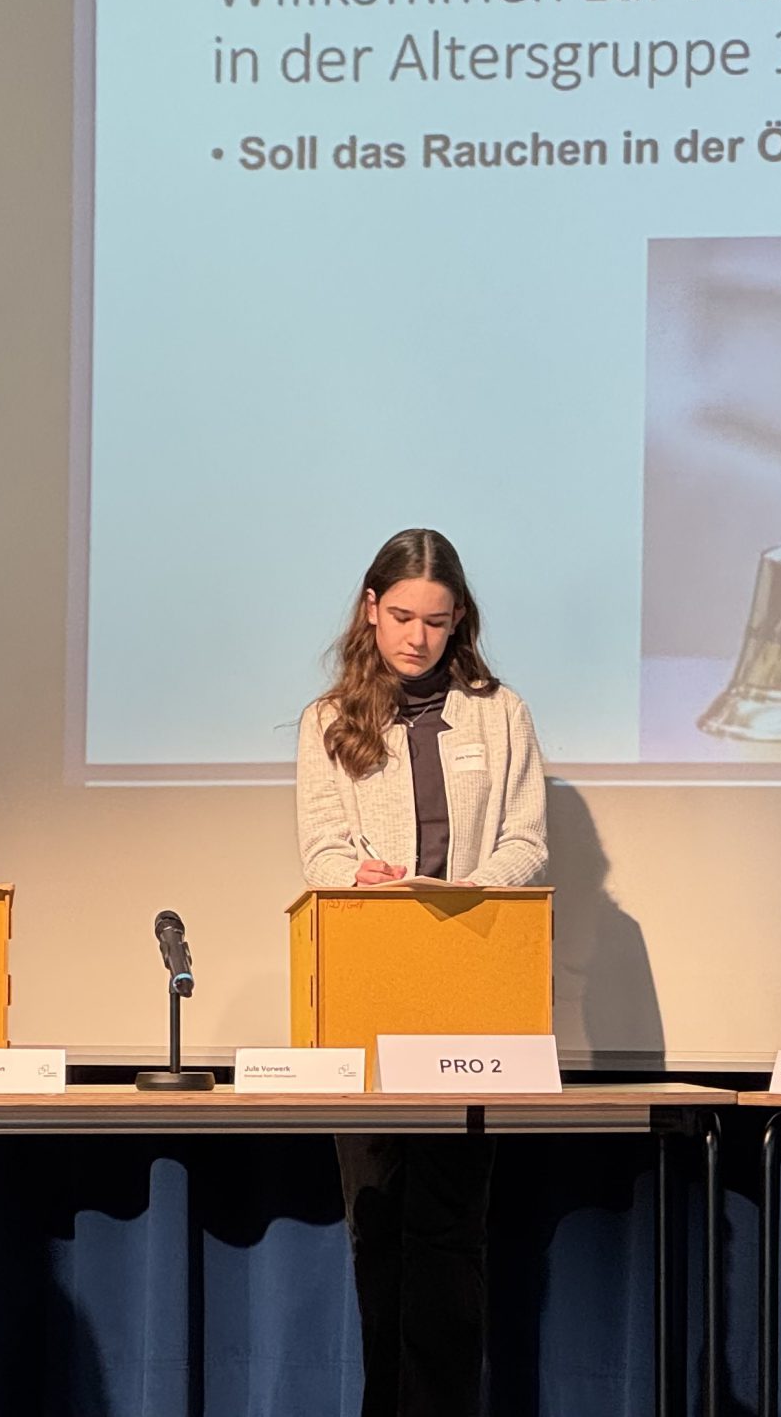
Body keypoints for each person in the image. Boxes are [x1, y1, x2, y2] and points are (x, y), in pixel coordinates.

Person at [294, 528, 548, 1417]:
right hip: (370, 995)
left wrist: (475, 890)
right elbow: (322, 849)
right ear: (371, 609)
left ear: (459, 620)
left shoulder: (500, 713)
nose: (417, 637)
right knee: (379, 1231)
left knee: (450, 1234)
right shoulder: (329, 720)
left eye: (436, 622)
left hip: (468, 994)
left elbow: (526, 839)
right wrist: (355, 876)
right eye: (402, 616)